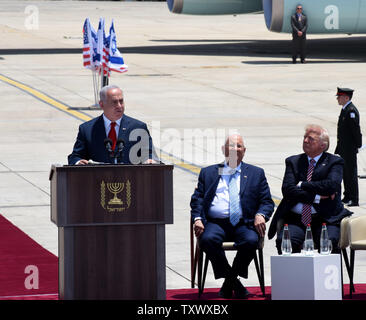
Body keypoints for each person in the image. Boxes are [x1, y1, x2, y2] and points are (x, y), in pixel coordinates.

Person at [190, 134, 274, 299]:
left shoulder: (256, 173)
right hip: (216, 223)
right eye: (231, 146)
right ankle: (234, 282)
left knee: (251, 240)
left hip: (245, 222)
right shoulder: (209, 173)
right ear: (223, 150)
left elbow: (267, 202)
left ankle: (229, 282)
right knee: (207, 240)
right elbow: (197, 200)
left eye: (239, 146)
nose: (235, 150)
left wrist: (260, 214)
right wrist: (197, 219)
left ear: (244, 151)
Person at [268, 124, 352, 254]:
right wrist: (316, 197)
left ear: (323, 145)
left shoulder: (335, 162)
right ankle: (295, 274)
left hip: (325, 218)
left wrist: (302, 184)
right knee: (285, 242)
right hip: (296, 219)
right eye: (305, 137)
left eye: (311, 139)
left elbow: (330, 186)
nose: (305, 141)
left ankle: (328, 274)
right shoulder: (293, 161)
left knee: (329, 241)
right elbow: (288, 190)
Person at [68, 85, 158, 165]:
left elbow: (150, 154)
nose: (119, 106)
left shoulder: (138, 127)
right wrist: (78, 162)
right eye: (114, 102)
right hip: (98, 181)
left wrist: (150, 160)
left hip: (130, 181)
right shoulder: (87, 129)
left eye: (121, 101)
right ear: (102, 104)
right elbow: (75, 157)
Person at [334, 87, 362, 207]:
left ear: (346, 97)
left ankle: (354, 198)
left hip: (349, 148)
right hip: (344, 148)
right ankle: (347, 196)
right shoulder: (345, 109)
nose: (338, 99)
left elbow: (355, 130)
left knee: (351, 173)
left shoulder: (351, 111)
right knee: (345, 172)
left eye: (339, 97)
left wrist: (357, 145)